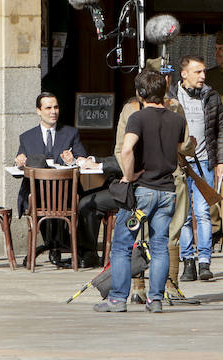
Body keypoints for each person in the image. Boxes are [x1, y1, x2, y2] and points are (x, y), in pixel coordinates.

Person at [93, 70, 188, 314]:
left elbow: (126, 150)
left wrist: (129, 174)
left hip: (143, 190)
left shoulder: (138, 117)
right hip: (167, 190)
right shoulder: (177, 119)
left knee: (123, 245)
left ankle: (117, 299)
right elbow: (178, 147)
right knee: (159, 246)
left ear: (141, 93)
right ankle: (155, 299)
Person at [171, 55, 223, 282]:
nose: (203, 76)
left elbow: (221, 130)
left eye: (204, 71)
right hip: (180, 164)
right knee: (183, 216)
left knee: (203, 212)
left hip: (204, 162)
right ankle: (188, 262)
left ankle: (204, 261)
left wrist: (222, 161)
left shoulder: (211, 96)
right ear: (184, 74)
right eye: (198, 72)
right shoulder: (172, 98)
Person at [14, 91, 87, 268]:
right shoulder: (27, 137)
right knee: (40, 202)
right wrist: (20, 160)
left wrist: (73, 160)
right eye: (48, 108)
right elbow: (19, 163)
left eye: (55, 107)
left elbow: (83, 158)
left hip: (66, 194)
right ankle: (52, 244)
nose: (53, 111)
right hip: (37, 193)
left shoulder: (70, 133)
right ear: (39, 111)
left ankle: (59, 245)